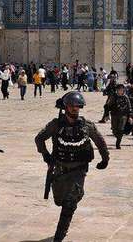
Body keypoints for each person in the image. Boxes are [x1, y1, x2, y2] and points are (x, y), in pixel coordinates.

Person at [35, 92, 109, 242]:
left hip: (78, 171)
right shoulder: (56, 125)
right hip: (60, 170)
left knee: (69, 203)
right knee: (59, 201)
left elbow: (99, 141)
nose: (75, 109)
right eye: (72, 107)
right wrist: (46, 156)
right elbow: (39, 138)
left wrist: (105, 158)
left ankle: (59, 237)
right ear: (66, 107)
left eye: (78, 107)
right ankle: (74, 197)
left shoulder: (87, 126)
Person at [108, 84, 131, 149]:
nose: (120, 91)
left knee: (121, 130)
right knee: (115, 130)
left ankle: (118, 144)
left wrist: (130, 117)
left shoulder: (126, 97)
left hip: (123, 115)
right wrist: (106, 115)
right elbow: (108, 106)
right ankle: (118, 137)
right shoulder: (113, 97)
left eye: (122, 90)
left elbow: (129, 107)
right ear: (117, 90)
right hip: (114, 115)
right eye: (119, 90)